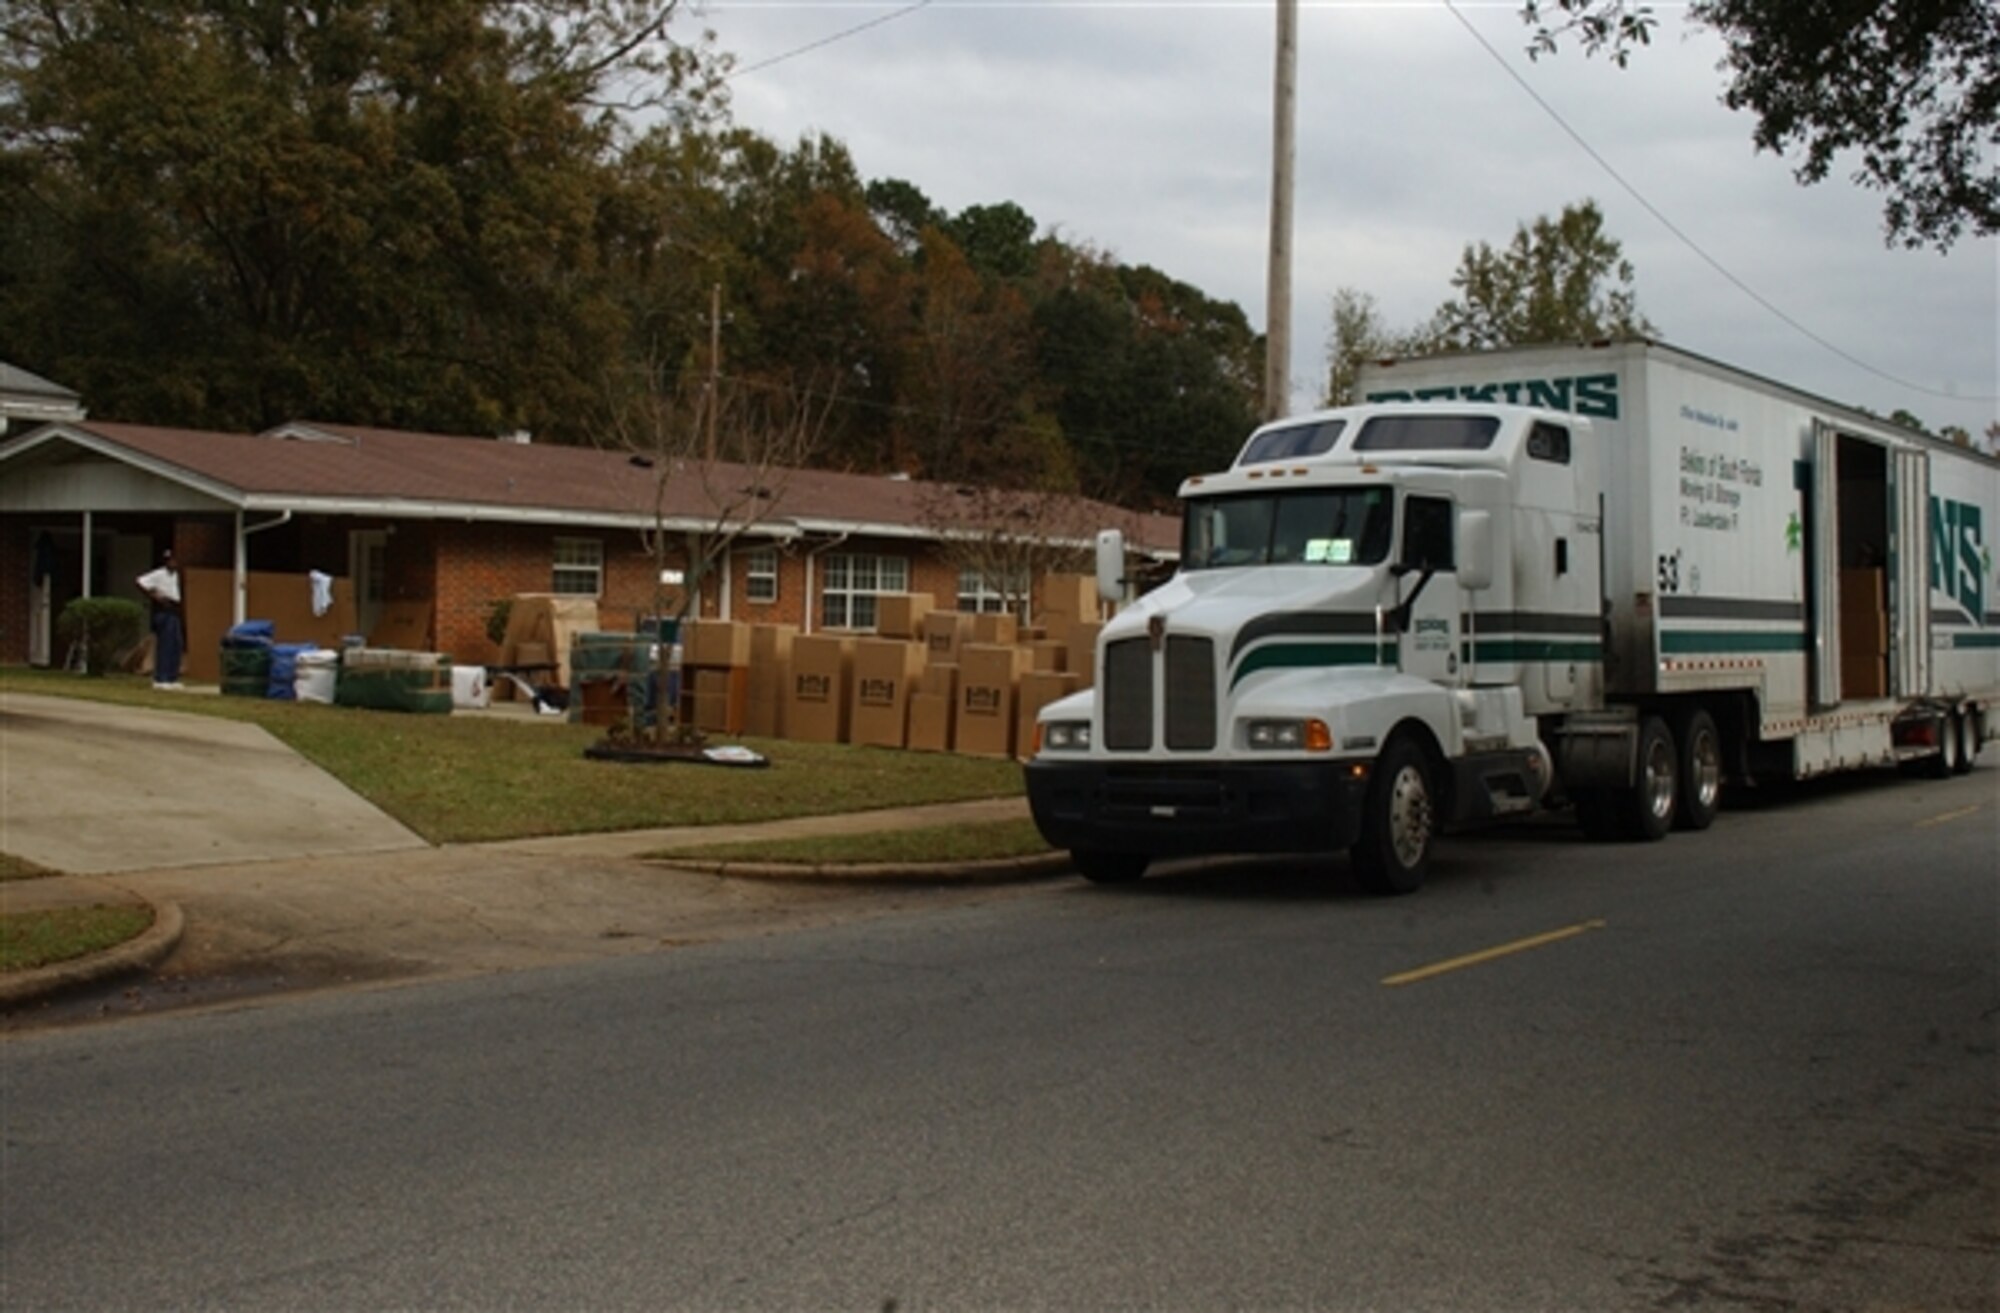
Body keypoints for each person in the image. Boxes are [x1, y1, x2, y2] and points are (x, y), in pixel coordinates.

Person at [137, 548, 185, 689]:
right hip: (164, 610)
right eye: (170, 560)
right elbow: (140, 582)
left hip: (174, 610)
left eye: (174, 560)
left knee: (176, 644)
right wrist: (155, 596)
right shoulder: (159, 574)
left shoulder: (176, 575)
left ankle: (172, 677)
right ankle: (161, 678)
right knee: (166, 644)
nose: (173, 563)